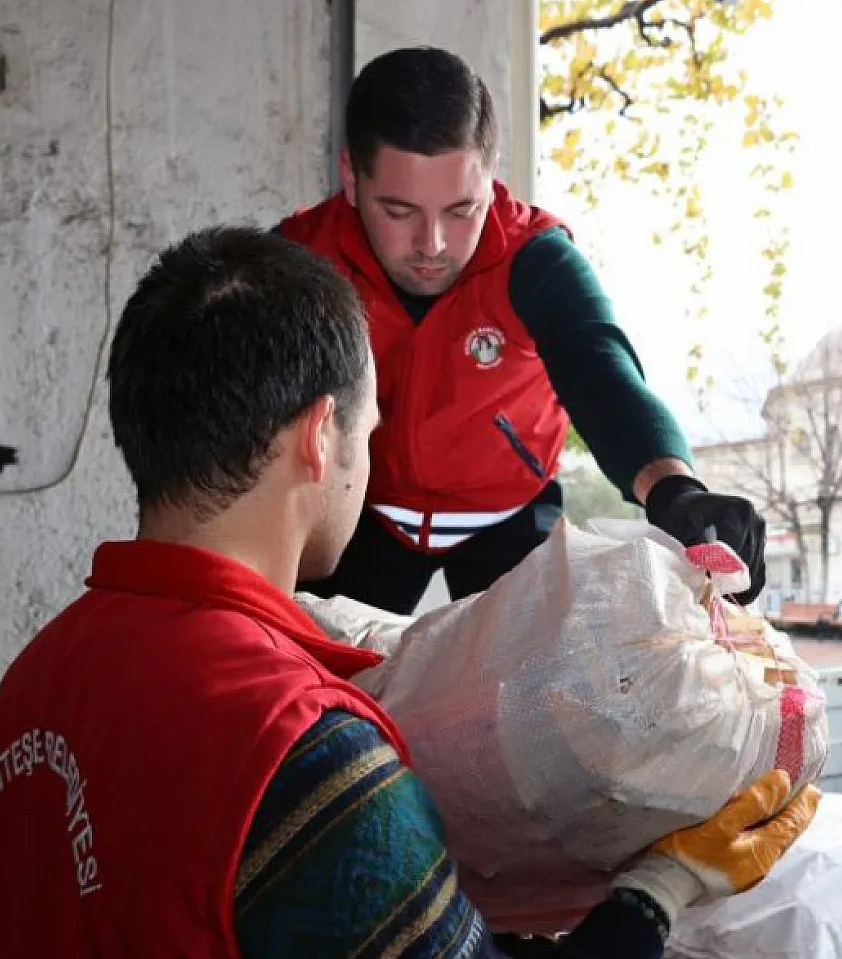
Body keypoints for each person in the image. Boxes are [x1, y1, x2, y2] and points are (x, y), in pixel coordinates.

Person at [0, 226, 820, 959]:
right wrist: (658, 893)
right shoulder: (298, 751)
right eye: (370, 429)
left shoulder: (31, 687)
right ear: (319, 436)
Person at [279, 45, 768, 614]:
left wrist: (675, 491)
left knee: (537, 690)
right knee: (315, 677)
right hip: (363, 512)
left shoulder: (536, 259)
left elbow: (603, 375)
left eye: (462, 210)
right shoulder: (299, 260)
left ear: (491, 180)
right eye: (398, 211)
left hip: (508, 515)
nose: (431, 245)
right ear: (350, 176)